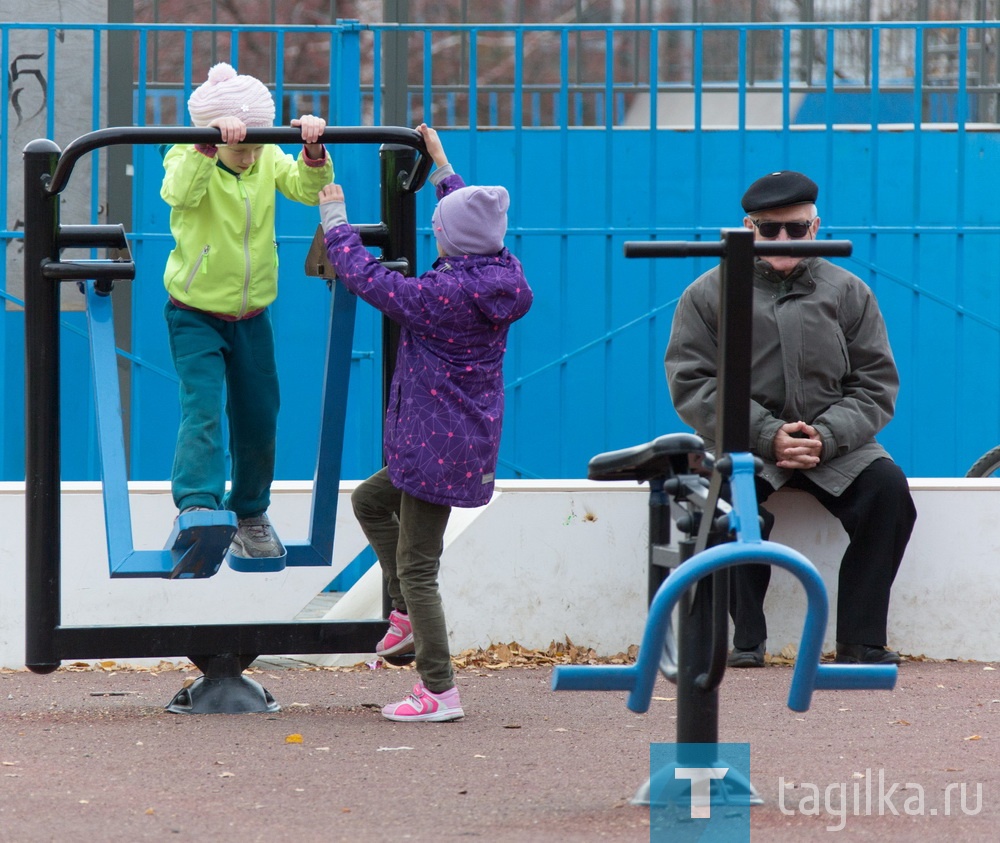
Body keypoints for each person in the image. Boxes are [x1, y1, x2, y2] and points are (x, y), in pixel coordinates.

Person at [318, 123, 533, 721]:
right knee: (368, 501)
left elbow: (368, 279)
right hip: (453, 438)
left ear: (450, 244)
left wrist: (336, 220)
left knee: (418, 566)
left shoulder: (441, 297)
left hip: (432, 443)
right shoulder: (500, 273)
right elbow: (470, 223)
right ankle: (407, 614)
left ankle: (438, 689)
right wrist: (443, 169)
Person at [665, 170, 917, 667]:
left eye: (796, 229)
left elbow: (876, 384)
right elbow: (693, 384)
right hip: (743, 441)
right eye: (768, 228)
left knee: (889, 495)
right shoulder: (707, 294)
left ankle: (860, 641)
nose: (782, 239)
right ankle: (746, 642)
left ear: (816, 227)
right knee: (724, 505)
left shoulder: (849, 292)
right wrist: (765, 434)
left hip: (836, 443)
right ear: (746, 228)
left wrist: (825, 436)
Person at [160, 62, 333, 558]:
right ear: (213, 138)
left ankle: (250, 512)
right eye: (239, 147)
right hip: (194, 313)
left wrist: (313, 150)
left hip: (253, 316)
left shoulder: (265, 156)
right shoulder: (185, 157)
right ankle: (197, 505)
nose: (248, 156)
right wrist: (204, 151)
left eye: (255, 145)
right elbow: (178, 193)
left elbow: (304, 188)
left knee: (260, 414)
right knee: (203, 408)